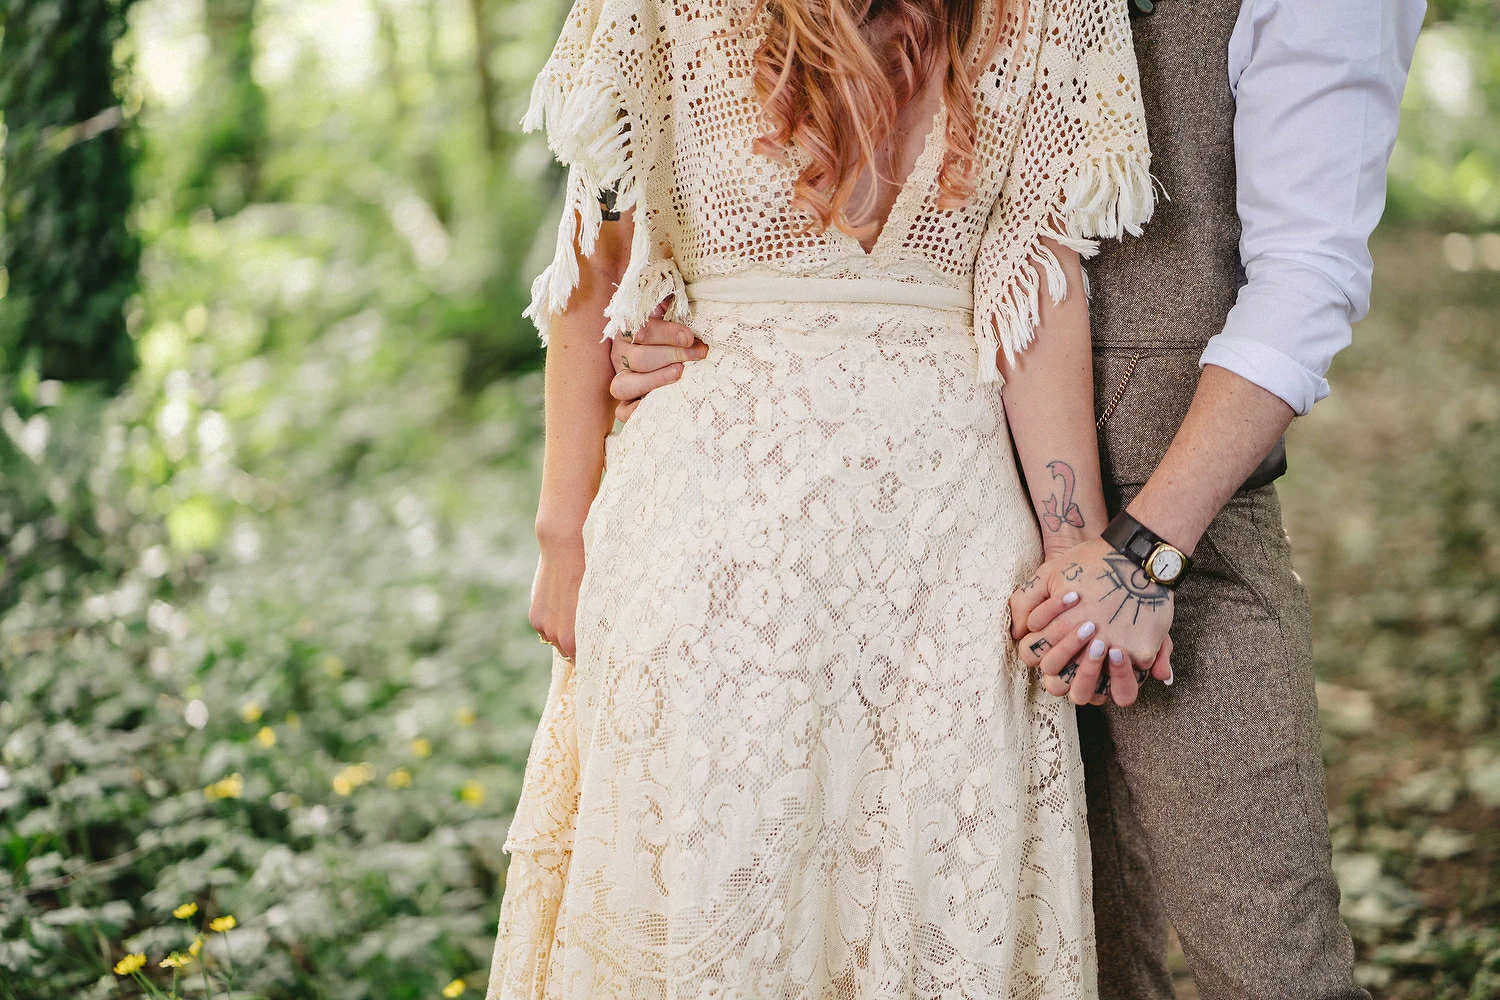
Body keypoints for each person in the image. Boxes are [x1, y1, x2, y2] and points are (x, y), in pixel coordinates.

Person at [609, 0, 1427, 997]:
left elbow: (1310, 282)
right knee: (1052, 956)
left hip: (1172, 533)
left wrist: (1140, 553)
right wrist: (690, 320)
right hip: (937, 545)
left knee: (1267, 953)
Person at [487, 0, 1165, 996]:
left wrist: (1077, 543)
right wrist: (560, 535)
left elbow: (1038, 273)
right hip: (709, 550)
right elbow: (595, 250)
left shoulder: (1048, 11)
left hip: (947, 559)